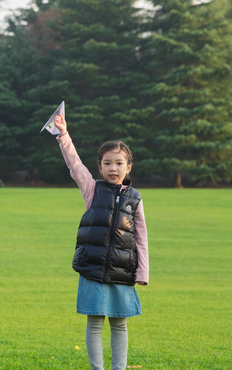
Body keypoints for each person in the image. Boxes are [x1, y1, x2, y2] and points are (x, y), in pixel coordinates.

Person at [52, 114, 149, 370]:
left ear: (128, 167)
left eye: (119, 163)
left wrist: (143, 271)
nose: (113, 168)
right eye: (108, 163)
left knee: (120, 323)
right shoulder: (91, 189)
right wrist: (63, 134)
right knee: (94, 322)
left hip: (122, 271)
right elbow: (75, 165)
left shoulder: (135, 198)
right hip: (92, 269)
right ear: (100, 167)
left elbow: (141, 238)